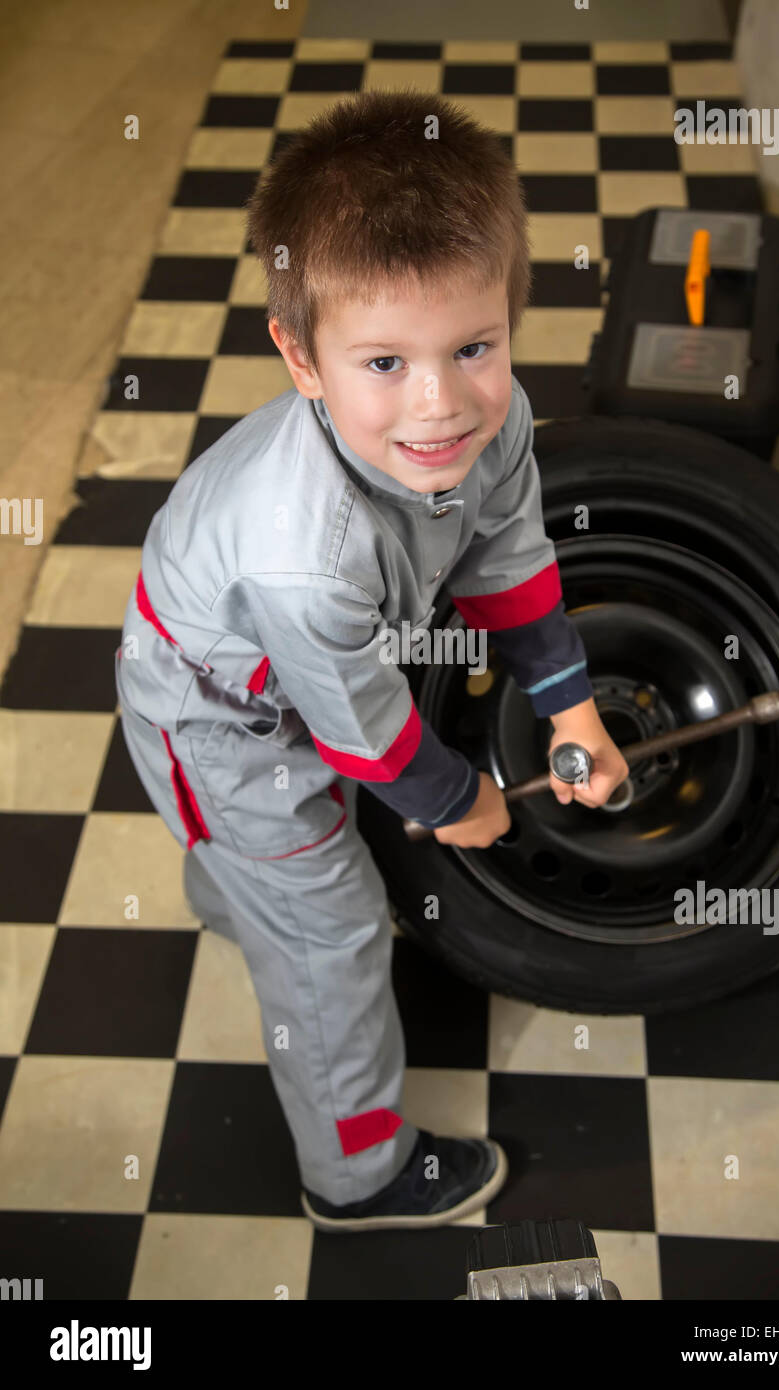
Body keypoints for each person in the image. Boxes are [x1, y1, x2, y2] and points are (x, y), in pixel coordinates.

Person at [115, 88, 629, 1234]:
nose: (440, 402)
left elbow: (508, 556)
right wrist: (462, 805)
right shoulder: (303, 554)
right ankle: (357, 1177)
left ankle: (248, 890)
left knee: (310, 856)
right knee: (333, 931)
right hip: (214, 715)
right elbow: (359, 732)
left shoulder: (492, 425)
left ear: (508, 319)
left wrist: (571, 709)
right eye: (384, 361)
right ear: (299, 358)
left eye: (473, 347)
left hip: (306, 677)